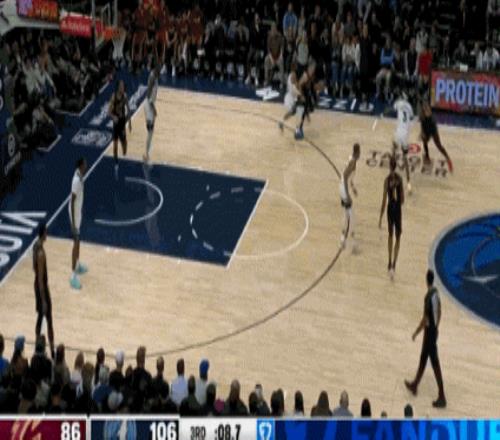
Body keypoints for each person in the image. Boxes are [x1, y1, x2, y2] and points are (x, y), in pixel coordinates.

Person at [405, 269, 447, 408]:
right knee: (423, 358)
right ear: (433, 280)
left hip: (429, 333)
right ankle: (415, 385)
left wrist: (416, 333)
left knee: (435, 363)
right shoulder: (436, 293)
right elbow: (440, 311)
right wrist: (437, 327)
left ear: (426, 280)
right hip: (433, 331)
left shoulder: (428, 297)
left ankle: (442, 396)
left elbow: (425, 319)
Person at [379, 156, 405, 280]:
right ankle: (394, 263)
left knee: (390, 235)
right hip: (397, 210)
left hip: (390, 209)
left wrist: (380, 217)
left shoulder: (386, 180)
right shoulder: (400, 179)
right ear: (396, 166)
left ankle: (389, 261)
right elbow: (403, 199)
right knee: (398, 237)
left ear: (390, 166)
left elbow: (384, 200)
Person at [33, 224, 55, 358]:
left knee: (40, 317)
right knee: (49, 319)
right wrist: (44, 300)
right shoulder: (41, 253)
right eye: (46, 232)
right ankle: (52, 351)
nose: (47, 234)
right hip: (42, 287)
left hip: (36, 284)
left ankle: (37, 346)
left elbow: (34, 270)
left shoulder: (35, 246)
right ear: (44, 233)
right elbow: (41, 279)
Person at [69, 158, 87, 290]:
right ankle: (73, 276)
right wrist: (73, 224)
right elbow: (71, 202)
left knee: (78, 241)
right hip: (74, 215)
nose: (86, 165)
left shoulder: (80, 175)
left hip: (77, 213)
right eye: (85, 164)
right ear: (81, 165)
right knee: (75, 243)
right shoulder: (76, 180)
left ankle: (78, 265)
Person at [419, 102, 453, 173]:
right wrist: (422, 133)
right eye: (426, 110)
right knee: (424, 141)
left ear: (430, 110)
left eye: (428, 110)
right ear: (424, 111)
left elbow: (434, 129)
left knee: (439, 146)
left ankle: (447, 157)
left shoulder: (432, 119)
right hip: (426, 130)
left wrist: (428, 135)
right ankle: (427, 156)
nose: (428, 112)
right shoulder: (422, 117)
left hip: (433, 131)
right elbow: (422, 125)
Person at [109, 80, 131, 177]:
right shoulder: (113, 97)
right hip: (116, 124)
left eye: (123, 86)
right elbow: (108, 112)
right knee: (115, 146)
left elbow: (128, 109)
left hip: (122, 123)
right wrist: (113, 117)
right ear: (118, 87)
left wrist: (130, 123)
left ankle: (124, 154)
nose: (123, 87)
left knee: (124, 144)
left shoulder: (125, 96)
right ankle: (116, 163)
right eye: (121, 86)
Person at [340, 143, 360, 250]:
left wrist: (353, 188)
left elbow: (349, 178)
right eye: (359, 152)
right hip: (344, 189)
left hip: (343, 188)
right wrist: (347, 194)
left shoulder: (351, 159)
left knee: (346, 214)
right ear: (357, 152)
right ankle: (344, 240)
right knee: (351, 218)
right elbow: (345, 175)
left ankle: (346, 238)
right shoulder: (353, 162)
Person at [393, 93, 414, 192]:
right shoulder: (409, 106)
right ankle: (408, 182)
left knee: (393, 152)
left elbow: (393, 108)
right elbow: (412, 117)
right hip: (405, 134)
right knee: (405, 157)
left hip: (398, 132)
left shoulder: (398, 103)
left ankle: (392, 175)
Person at [294, 61, 316, 140]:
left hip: (305, 92)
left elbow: (311, 86)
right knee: (301, 110)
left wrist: (313, 97)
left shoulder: (311, 75)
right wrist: (301, 95)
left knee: (308, 108)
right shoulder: (305, 75)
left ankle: (300, 127)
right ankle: (297, 130)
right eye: (312, 68)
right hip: (300, 92)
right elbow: (299, 85)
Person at [144, 64, 160, 164]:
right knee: (150, 131)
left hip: (150, 105)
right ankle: (146, 155)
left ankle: (147, 150)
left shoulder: (153, 76)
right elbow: (149, 98)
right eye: (158, 70)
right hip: (149, 106)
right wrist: (154, 109)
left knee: (151, 131)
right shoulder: (152, 79)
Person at [279, 61, 301, 131]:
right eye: (297, 66)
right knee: (298, 112)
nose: (298, 67)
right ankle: (297, 129)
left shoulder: (291, 74)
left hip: (290, 96)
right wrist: (300, 94)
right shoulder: (293, 75)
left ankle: (281, 122)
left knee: (294, 112)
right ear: (294, 67)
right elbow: (294, 89)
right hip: (291, 98)